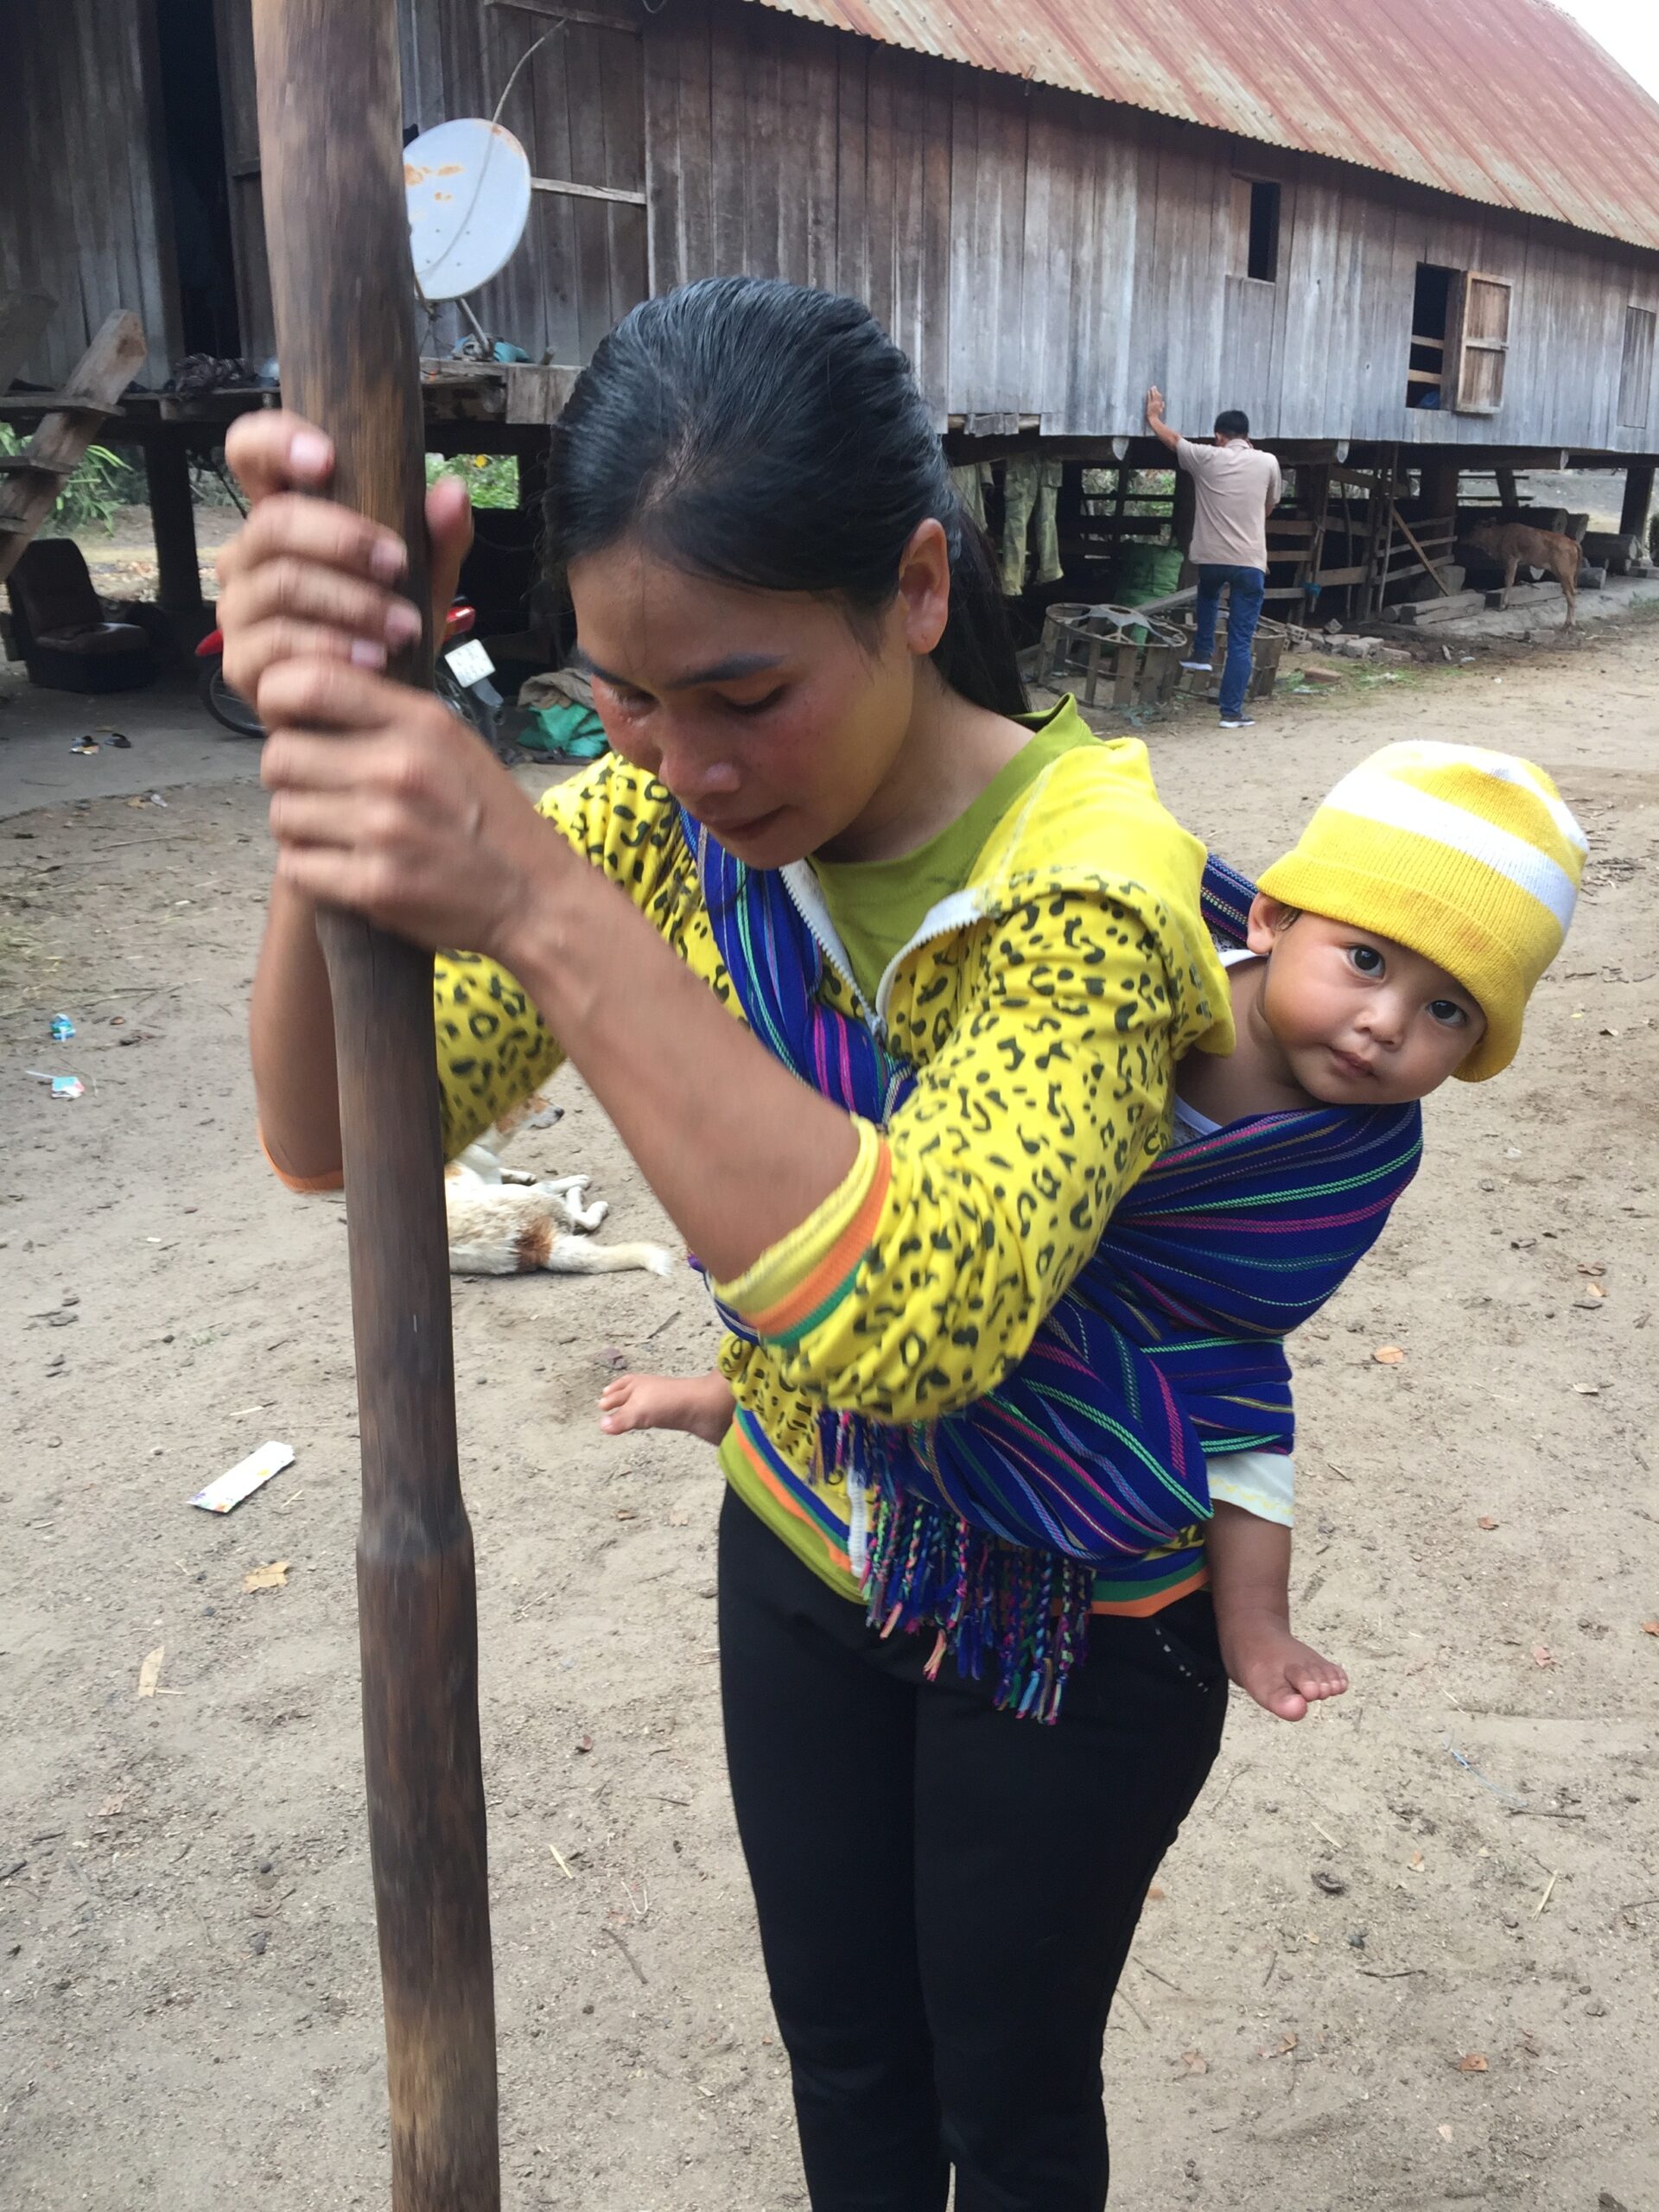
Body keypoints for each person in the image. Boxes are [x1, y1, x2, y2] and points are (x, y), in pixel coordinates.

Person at [220, 276, 1241, 2212]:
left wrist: (523, 878)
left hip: (1069, 1625)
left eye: (745, 695)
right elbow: (337, 1135)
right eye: (626, 697)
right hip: (798, 1537)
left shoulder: (1091, 893)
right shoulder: (652, 823)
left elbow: (910, 1317)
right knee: (845, 2056)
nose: (682, 764)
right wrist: (325, 765)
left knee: (1004, 2107)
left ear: (920, 589)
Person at [603, 739, 1586, 1724]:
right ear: (1274, 918)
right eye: (1365, 961)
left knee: (1244, 1430)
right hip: (978, 1239)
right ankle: (739, 1395)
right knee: (853, 1253)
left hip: (1163, 1339)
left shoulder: (1351, 1157)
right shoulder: (1134, 957)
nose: (1384, 1022)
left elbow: (1238, 1321)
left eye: (1446, 1010)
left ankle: (1253, 1621)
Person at [1144, 388, 1281, 731]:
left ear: (1220, 436)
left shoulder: (1207, 457)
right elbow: (1271, 504)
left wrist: (1153, 417)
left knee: (1207, 593)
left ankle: (1202, 653)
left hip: (1213, 559)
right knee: (1240, 639)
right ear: (1247, 436)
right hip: (1250, 562)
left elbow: (1174, 440)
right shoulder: (1268, 462)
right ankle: (1231, 713)